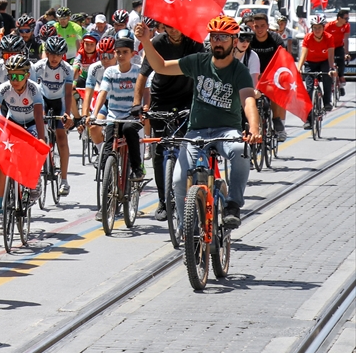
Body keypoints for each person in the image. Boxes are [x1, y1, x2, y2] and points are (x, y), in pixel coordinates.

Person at [135, 17, 259, 230]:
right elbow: (162, 66)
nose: (217, 42)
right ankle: (187, 227)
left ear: (234, 40)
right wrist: (146, 40)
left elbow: (248, 99)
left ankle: (233, 205)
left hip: (227, 131)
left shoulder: (239, 71)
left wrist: (254, 128)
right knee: (178, 180)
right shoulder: (199, 61)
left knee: (241, 150)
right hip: (196, 132)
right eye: (214, 37)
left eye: (223, 37)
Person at [132, 23, 203, 220]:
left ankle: (191, 194)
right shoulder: (157, 42)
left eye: (176, 27)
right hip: (161, 99)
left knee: (189, 147)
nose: (173, 31)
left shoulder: (195, 44)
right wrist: (137, 103)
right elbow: (143, 74)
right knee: (160, 151)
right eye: (168, 28)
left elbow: (205, 71)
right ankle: (163, 201)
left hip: (187, 99)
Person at [0, 54, 45, 233]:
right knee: (0, 165)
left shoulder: (34, 89)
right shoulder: (5, 88)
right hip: (12, 124)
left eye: (19, 76)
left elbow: (38, 115)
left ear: (27, 75)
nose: (15, 80)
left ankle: (33, 181)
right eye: (11, 75)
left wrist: (41, 139)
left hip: (30, 126)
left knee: (32, 149)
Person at [91, 31, 144, 197]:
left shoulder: (138, 71)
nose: (121, 55)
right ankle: (106, 200)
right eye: (118, 52)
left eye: (125, 52)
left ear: (132, 54)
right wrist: (94, 114)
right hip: (114, 116)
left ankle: (136, 168)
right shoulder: (110, 72)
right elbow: (103, 93)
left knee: (129, 129)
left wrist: (146, 107)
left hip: (132, 116)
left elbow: (147, 91)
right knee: (107, 153)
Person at [30, 35, 75, 195]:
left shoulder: (67, 69)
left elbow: (69, 94)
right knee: (38, 136)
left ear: (63, 55)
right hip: (42, 99)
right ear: (46, 53)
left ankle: (64, 180)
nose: (54, 58)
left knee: (62, 138)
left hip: (59, 102)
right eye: (51, 54)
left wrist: (67, 114)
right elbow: (33, 90)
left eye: (58, 54)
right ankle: (35, 177)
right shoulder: (38, 67)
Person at [298, 15, 336, 113]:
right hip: (310, 63)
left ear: (323, 28)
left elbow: (331, 55)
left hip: (324, 62)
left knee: (327, 78)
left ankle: (327, 101)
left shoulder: (329, 37)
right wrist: (298, 68)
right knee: (309, 89)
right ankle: (309, 117)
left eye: (319, 27)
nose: (317, 30)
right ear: (312, 28)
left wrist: (331, 68)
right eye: (315, 27)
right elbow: (303, 54)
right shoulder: (308, 38)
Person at [327, 8, 350, 98]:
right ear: (339, 18)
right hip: (329, 47)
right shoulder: (329, 26)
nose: (347, 21)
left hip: (339, 47)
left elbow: (346, 39)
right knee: (329, 64)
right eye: (346, 19)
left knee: (341, 62)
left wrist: (346, 53)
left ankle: (340, 80)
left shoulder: (346, 26)